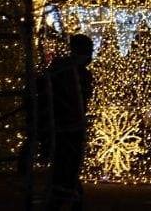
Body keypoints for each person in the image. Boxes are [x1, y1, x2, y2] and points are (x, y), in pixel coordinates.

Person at [46, 33, 94, 211]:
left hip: (72, 125)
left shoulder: (77, 72)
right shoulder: (65, 71)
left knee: (68, 167)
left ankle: (66, 195)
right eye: (88, 50)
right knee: (65, 166)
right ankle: (64, 197)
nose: (90, 55)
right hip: (66, 126)